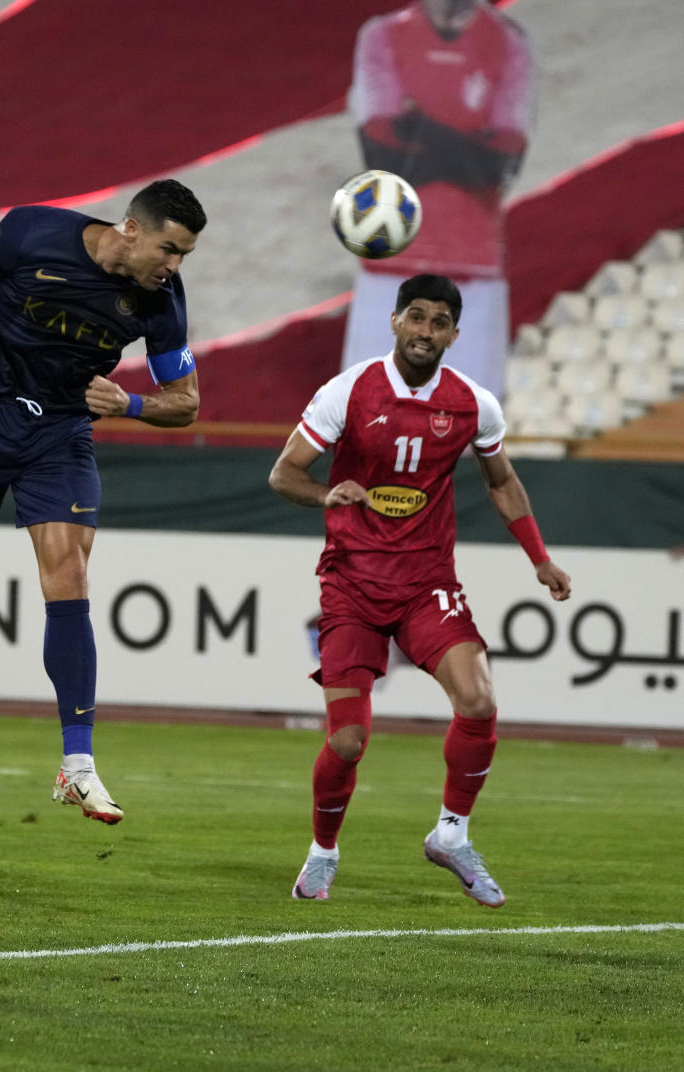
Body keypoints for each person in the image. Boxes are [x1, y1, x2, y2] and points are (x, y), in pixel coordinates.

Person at [0, 179, 207, 824]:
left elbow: (186, 402)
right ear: (132, 229)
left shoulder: (161, 302)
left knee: (69, 575)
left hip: (58, 434)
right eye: (170, 249)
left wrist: (130, 404)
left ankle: (77, 767)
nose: (174, 266)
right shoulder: (34, 232)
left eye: (184, 256)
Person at [269, 273, 570, 906]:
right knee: (347, 742)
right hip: (351, 582)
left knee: (480, 701)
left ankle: (451, 835)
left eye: (439, 322)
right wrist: (329, 493)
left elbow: (502, 481)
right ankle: (323, 851)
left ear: (455, 334)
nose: (425, 331)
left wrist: (539, 559)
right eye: (417, 317)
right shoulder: (348, 391)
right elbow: (283, 473)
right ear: (396, 321)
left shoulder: (473, 404)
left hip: (427, 583)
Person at [342, 0, 535, 399]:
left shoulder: (508, 43)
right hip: (391, 263)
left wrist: (419, 125)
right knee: (370, 421)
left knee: (465, 433)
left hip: (474, 269)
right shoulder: (382, 36)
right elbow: (383, 156)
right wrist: (467, 145)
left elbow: (500, 166)